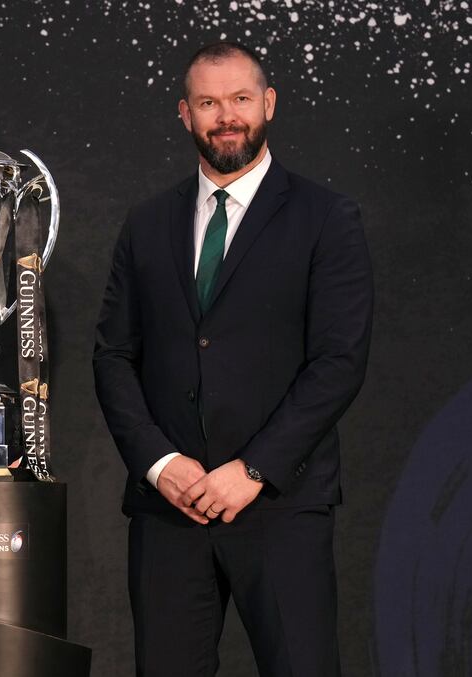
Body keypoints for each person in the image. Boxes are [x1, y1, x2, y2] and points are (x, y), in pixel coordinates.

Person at [93, 43, 373, 677]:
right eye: (209, 102)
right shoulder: (146, 223)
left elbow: (338, 361)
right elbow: (113, 355)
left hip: (280, 504)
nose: (227, 115)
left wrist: (251, 470)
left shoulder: (326, 218)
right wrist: (160, 464)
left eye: (241, 99)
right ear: (185, 114)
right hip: (170, 508)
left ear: (268, 105)